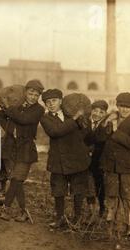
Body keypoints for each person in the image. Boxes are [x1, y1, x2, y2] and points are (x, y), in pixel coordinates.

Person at [40, 89, 91, 229]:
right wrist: (75, 119)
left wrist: (83, 121)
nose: (51, 104)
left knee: (78, 189)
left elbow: (86, 132)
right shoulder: (45, 118)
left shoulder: (71, 113)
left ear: (61, 101)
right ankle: (60, 218)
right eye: (47, 102)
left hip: (77, 159)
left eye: (54, 101)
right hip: (59, 161)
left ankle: (77, 218)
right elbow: (55, 132)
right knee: (58, 190)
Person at [0, 80, 45, 222]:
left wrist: (9, 108)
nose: (33, 97)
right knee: (16, 181)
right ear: (25, 92)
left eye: (36, 95)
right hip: (11, 148)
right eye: (30, 93)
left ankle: (5, 209)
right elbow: (0, 117)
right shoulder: (17, 106)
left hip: (25, 149)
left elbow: (24, 120)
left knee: (16, 179)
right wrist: (8, 124)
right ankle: (23, 211)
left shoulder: (38, 109)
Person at [98, 92, 130, 240]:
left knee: (129, 196)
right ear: (117, 106)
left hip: (128, 167)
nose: (124, 110)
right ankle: (110, 221)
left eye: (128, 107)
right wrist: (106, 122)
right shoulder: (111, 120)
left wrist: (116, 129)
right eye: (122, 106)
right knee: (111, 194)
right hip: (111, 165)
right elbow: (102, 138)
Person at [83, 100, 109, 222]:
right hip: (85, 160)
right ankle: (91, 211)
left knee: (100, 185)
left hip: (99, 161)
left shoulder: (106, 126)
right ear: (91, 110)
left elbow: (102, 139)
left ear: (105, 114)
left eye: (101, 112)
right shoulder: (85, 123)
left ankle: (102, 208)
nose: (97, 114)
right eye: (95, 111)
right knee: (88, 185)